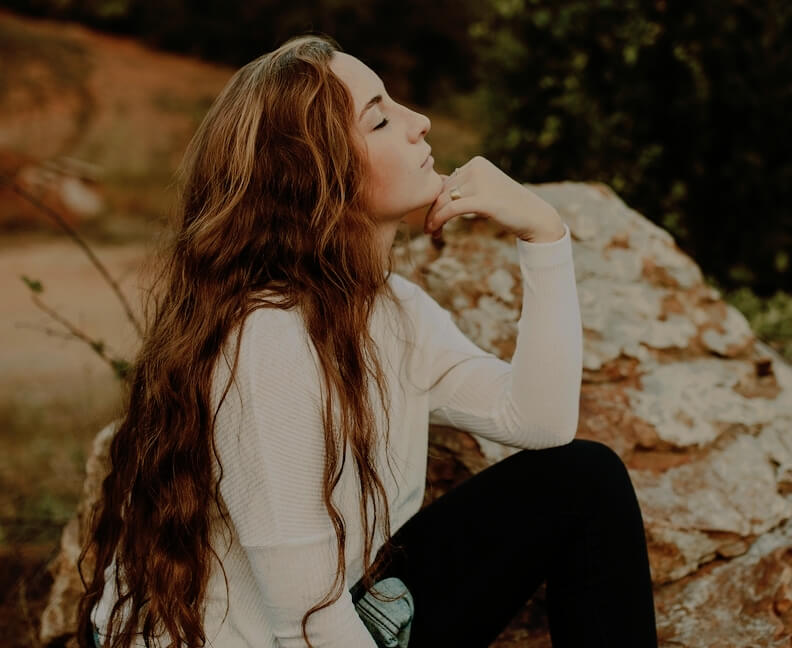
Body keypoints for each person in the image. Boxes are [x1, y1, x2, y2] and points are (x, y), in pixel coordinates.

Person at [77, 34, 658, 648]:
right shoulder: (265, 344)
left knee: (584, 481)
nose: (419, 122)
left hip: (347, 615)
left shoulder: (395, 310)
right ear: (315, 175)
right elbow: (306, 627)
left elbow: (539, 421)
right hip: (257, 637)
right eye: (379, 118)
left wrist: (544, 234)